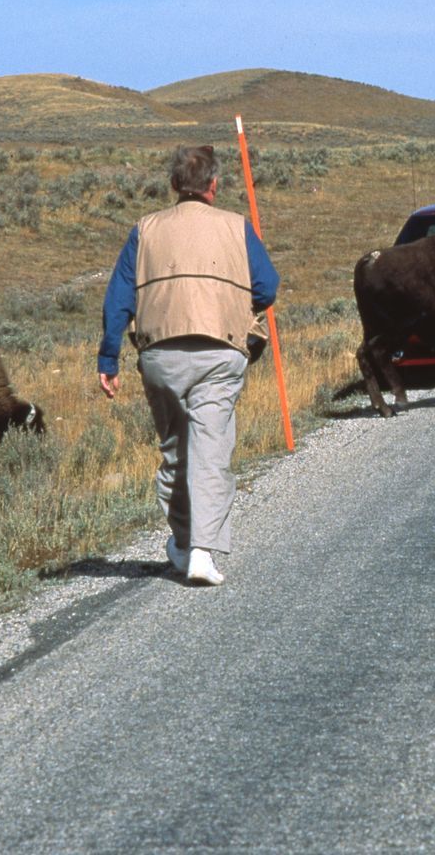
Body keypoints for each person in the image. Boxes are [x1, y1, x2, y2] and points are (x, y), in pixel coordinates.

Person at [98, 146, 279, 587]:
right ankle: (201, 551)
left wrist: (108, 357)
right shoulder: (237, 226)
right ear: (214, 186)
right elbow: (268, 287)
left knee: (176, 451)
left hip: (160, 354)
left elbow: (119, 298)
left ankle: (181, 543)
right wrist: (229, 305)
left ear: (175, 185)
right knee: (211, 450)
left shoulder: (145, 229)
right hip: (220, 351)